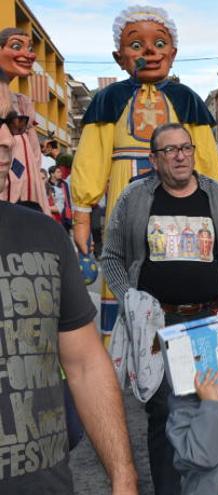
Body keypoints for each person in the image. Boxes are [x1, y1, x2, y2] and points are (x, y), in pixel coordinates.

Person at [102, 122, 218, 494]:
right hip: (159, 329)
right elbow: (111, 258)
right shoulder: (136, 198)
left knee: (216, 410)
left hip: (210, 321)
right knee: (164, 415)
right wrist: (132, 301)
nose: (180, 156)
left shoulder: (216, 196)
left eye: (185, 148)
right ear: (154, 159)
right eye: (169, 150)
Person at [0, 108, 138, 493]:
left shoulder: (44, 235)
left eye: (11, 128)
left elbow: (85, 364)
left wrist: (123, 476)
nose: (7, 141)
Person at [71, 5, 218, 340]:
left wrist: (214, 206)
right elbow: (91, 158)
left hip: (180, 196)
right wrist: (82, 215)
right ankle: (127, 343)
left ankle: (183, 328)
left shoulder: (187, 99)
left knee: (179, 259)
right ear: (119, 57)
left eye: (159, 43)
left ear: (173, 52)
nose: (150, 52)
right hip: (125, 194)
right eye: (136, 45)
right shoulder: (109, 99)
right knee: (124, 257)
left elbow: (207, 158)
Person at [0, 28, 49, 214]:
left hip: (28, 190)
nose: (28, 55)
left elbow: (35, 152)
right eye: (16, 46)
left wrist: (35, 179)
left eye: (29, 48)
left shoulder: (22, 101)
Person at [48, 165, 72, 230]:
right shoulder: (46, 184)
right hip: (50, 213)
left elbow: (67, 199)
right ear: (52, 174)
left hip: (63, 214)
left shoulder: (64, 184)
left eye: (60, 172)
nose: (60, 174)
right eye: (58, 172)